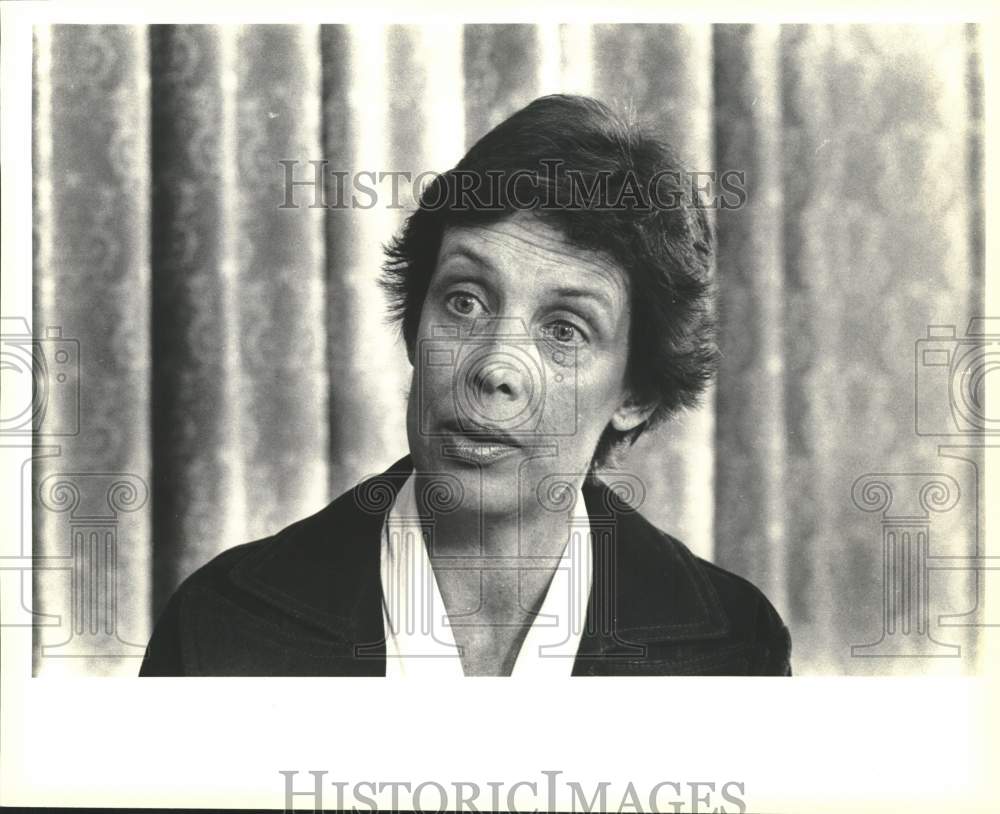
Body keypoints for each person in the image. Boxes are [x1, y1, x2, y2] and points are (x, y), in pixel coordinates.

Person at [140, 94, 791, 677]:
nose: (495, 367)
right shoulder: (219, 628)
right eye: (465, 301)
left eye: (564, 329)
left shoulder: (735, 647)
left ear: (634, 394)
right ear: (417, 320)